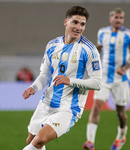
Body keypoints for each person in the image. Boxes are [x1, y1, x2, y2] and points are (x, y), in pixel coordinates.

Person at [22, 6, 102, 150]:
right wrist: (33, 88)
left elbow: (97, 83)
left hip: (69, 108)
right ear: (66, 22)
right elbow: (45, 75)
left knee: (39, 140)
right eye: (75, 22)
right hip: (46, 103)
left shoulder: (89, 50)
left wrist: (70, 81)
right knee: (32, 141)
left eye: (82, 24)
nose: (79, 27)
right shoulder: (52, 45)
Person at [83, 8, 130, 150]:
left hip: (121, 79)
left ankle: (121, 137)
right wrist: (93, 59)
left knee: (120, 112)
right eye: (116, 17)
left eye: (121, 18)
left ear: (123, 20)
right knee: (96, 106)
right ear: (111, 19)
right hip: (103, 77)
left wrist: (126, 67)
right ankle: (90, 142)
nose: (118, 20)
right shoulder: (102, 32)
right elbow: (99, 48)